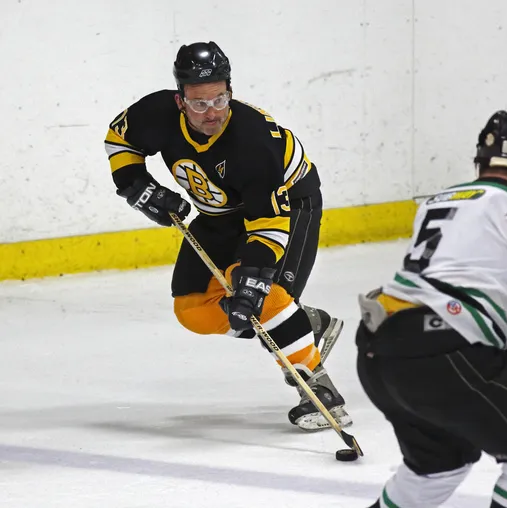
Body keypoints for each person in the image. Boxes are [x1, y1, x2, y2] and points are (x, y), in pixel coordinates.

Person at [355, 111, 507, 508]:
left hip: (378, 350)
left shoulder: (440, 200)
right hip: (443, 354)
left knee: (438, 466)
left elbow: (449, 288)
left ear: (481, 161)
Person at [103, 41, 351, 431]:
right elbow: (120, 140)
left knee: (263, 297)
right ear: (180, 100)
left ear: (230, 91)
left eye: (220, 99)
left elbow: (267, 225)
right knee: (193, 310)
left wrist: (252, 282)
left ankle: (317, 387)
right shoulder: (155, 113)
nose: (212, 112)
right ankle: (307, 323)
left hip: (289, 208)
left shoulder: (254, 143)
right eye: (199, 103)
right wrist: (135, 184)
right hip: (219, 216)